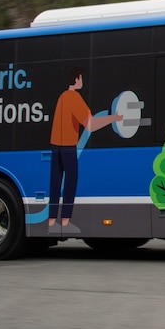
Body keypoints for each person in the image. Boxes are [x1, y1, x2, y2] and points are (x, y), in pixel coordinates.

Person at [48, 67, 122, 232]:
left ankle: (52, 222)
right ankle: (65, 222)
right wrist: (114, 118)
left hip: (55, 145)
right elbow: (91, 125)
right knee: (70, 181)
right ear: (76, 79)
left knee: (55, 182)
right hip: (67, 146)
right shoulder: (74, 97)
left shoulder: (62, 96)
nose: (82, 81)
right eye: (81, 78)